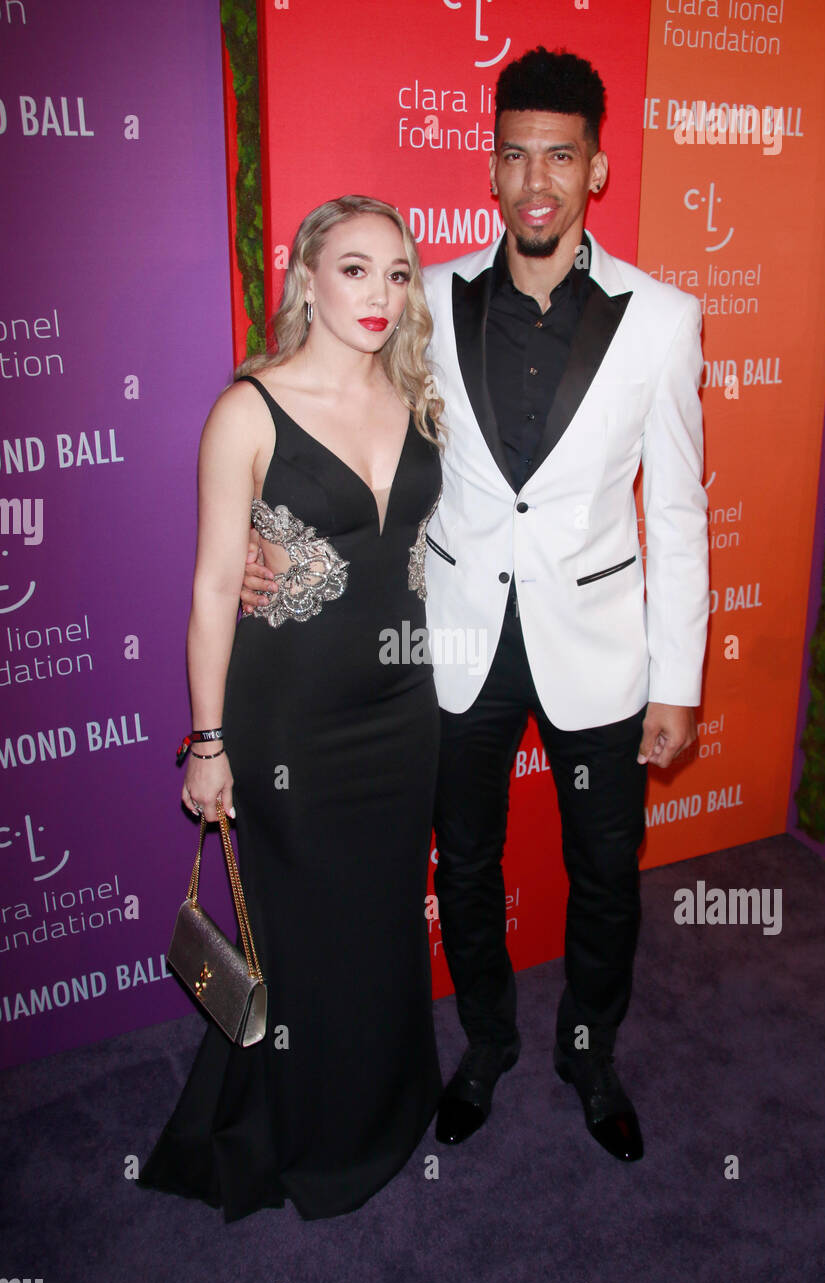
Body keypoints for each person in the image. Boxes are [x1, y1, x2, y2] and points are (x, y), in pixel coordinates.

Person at [242, 50, 709, 1166]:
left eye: (558, 153)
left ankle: (588, 1055)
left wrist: (676, 681)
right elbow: (329, 408)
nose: (534, 177)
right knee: (463, 861)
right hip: (453, 640)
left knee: (604, 874)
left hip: (596, 644)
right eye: (513, 154)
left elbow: (680, 514)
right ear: (490, 169)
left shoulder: (662, 319)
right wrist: (270, 529)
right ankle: (487, 1046)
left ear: (595, 167)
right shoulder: (428, 301)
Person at [138, 196, 444, 1223]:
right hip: (288, 727)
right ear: (305, 275)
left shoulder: (418, 397)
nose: (378, 295)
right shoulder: (247, 410)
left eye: (397, 275)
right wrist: (208, 741)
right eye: (354, 269)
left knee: (383, 922)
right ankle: (311, 1133)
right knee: (304, 935)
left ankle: (388, 1106)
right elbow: (211, 585)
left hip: (405, 708)